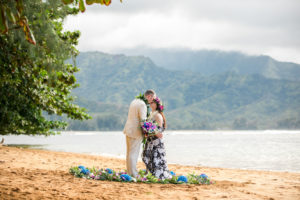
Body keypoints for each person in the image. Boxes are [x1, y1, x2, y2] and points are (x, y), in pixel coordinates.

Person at [123, 89, 156, 177]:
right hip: (135, 131)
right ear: (149, 96)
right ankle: (133, 173)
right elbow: (142, 120)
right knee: (134, 153)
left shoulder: (135, 101)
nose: (152, 101)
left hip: (129, 129)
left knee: (129, 152)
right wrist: (147, 131)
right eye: (152, 98)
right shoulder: (142, 104)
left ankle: (130, 172)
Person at [142, 96, 172, 180]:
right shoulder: (152, 114)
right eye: (150, 103)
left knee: (156, 159)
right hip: (150, 140)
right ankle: (151, 174)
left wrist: (150, 130)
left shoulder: (158, 115)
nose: (150, 104)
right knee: (148, 157)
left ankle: (157, 176)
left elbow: (159, 131)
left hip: (156, 141)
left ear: (157, 104)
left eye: (152, 103)